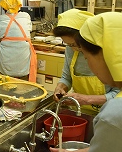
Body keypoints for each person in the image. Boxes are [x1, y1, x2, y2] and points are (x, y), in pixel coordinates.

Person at [50, 12, 122, 152]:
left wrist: (87, 99)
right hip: (81, 113)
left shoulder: (113, 116)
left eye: (87, 57)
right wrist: (60, 86)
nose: (88, 65)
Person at [52, 9, 119, 114]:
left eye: (74, 44)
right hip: (79, 110)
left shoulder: (106, 54)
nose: (73, 49)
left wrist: (87, 99)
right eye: (68, 45)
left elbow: (119, 94)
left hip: (108, 111)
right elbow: (66, 77)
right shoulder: (71, 50)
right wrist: (60, 87)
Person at [0, 0, 37, 82]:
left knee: (4, 83)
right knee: (23, 85)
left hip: (5, 58)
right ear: (19, 5)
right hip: (23, 57)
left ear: (3, 7)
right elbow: (29, 30)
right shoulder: (26, 17)